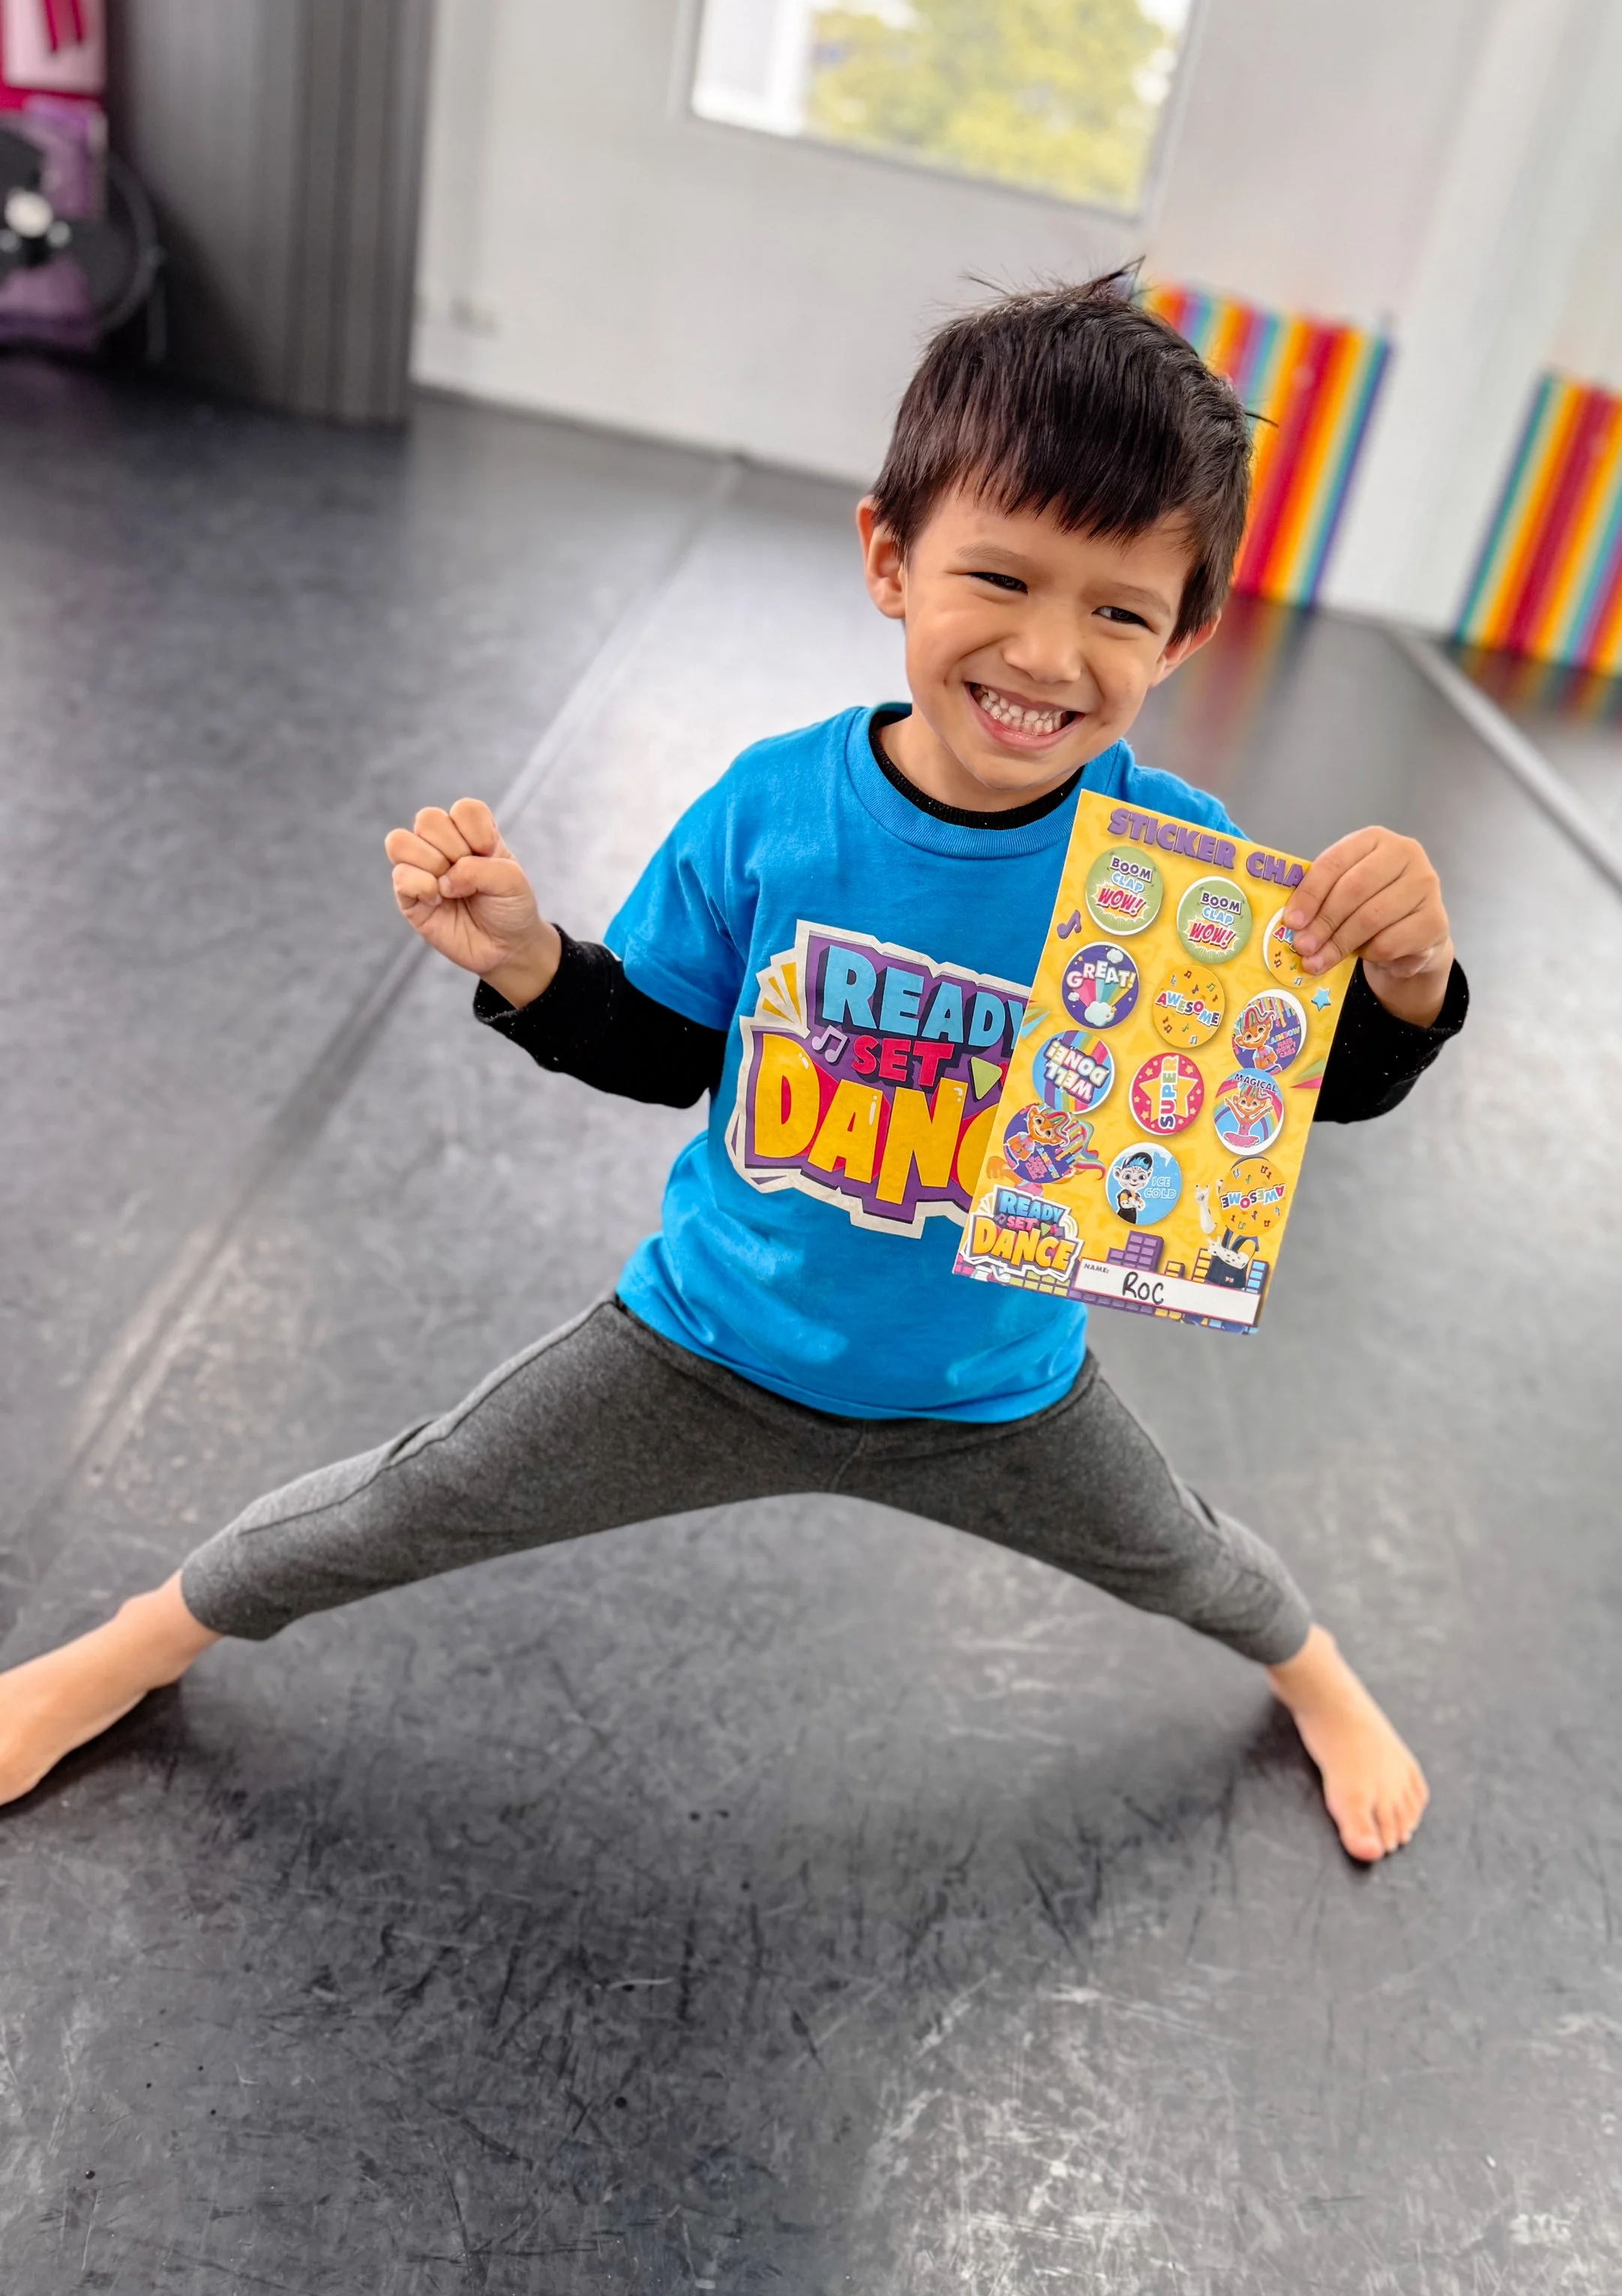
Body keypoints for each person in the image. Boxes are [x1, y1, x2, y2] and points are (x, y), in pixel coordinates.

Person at [0, 278, 1465, 1862]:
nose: (1047, 653)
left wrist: (1402, 982)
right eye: (999, 577)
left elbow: (1310, 1092)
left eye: (1117, 610)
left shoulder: (1173, 865)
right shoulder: (776, 809)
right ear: (888, 560)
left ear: (1182, 635)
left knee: (1187, 1560)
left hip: (995, 1393)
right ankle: (125, 1649)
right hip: (702, 1346)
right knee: (402, 1503)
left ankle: (1316, 1679)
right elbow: (664, 1043)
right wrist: (529, 961)